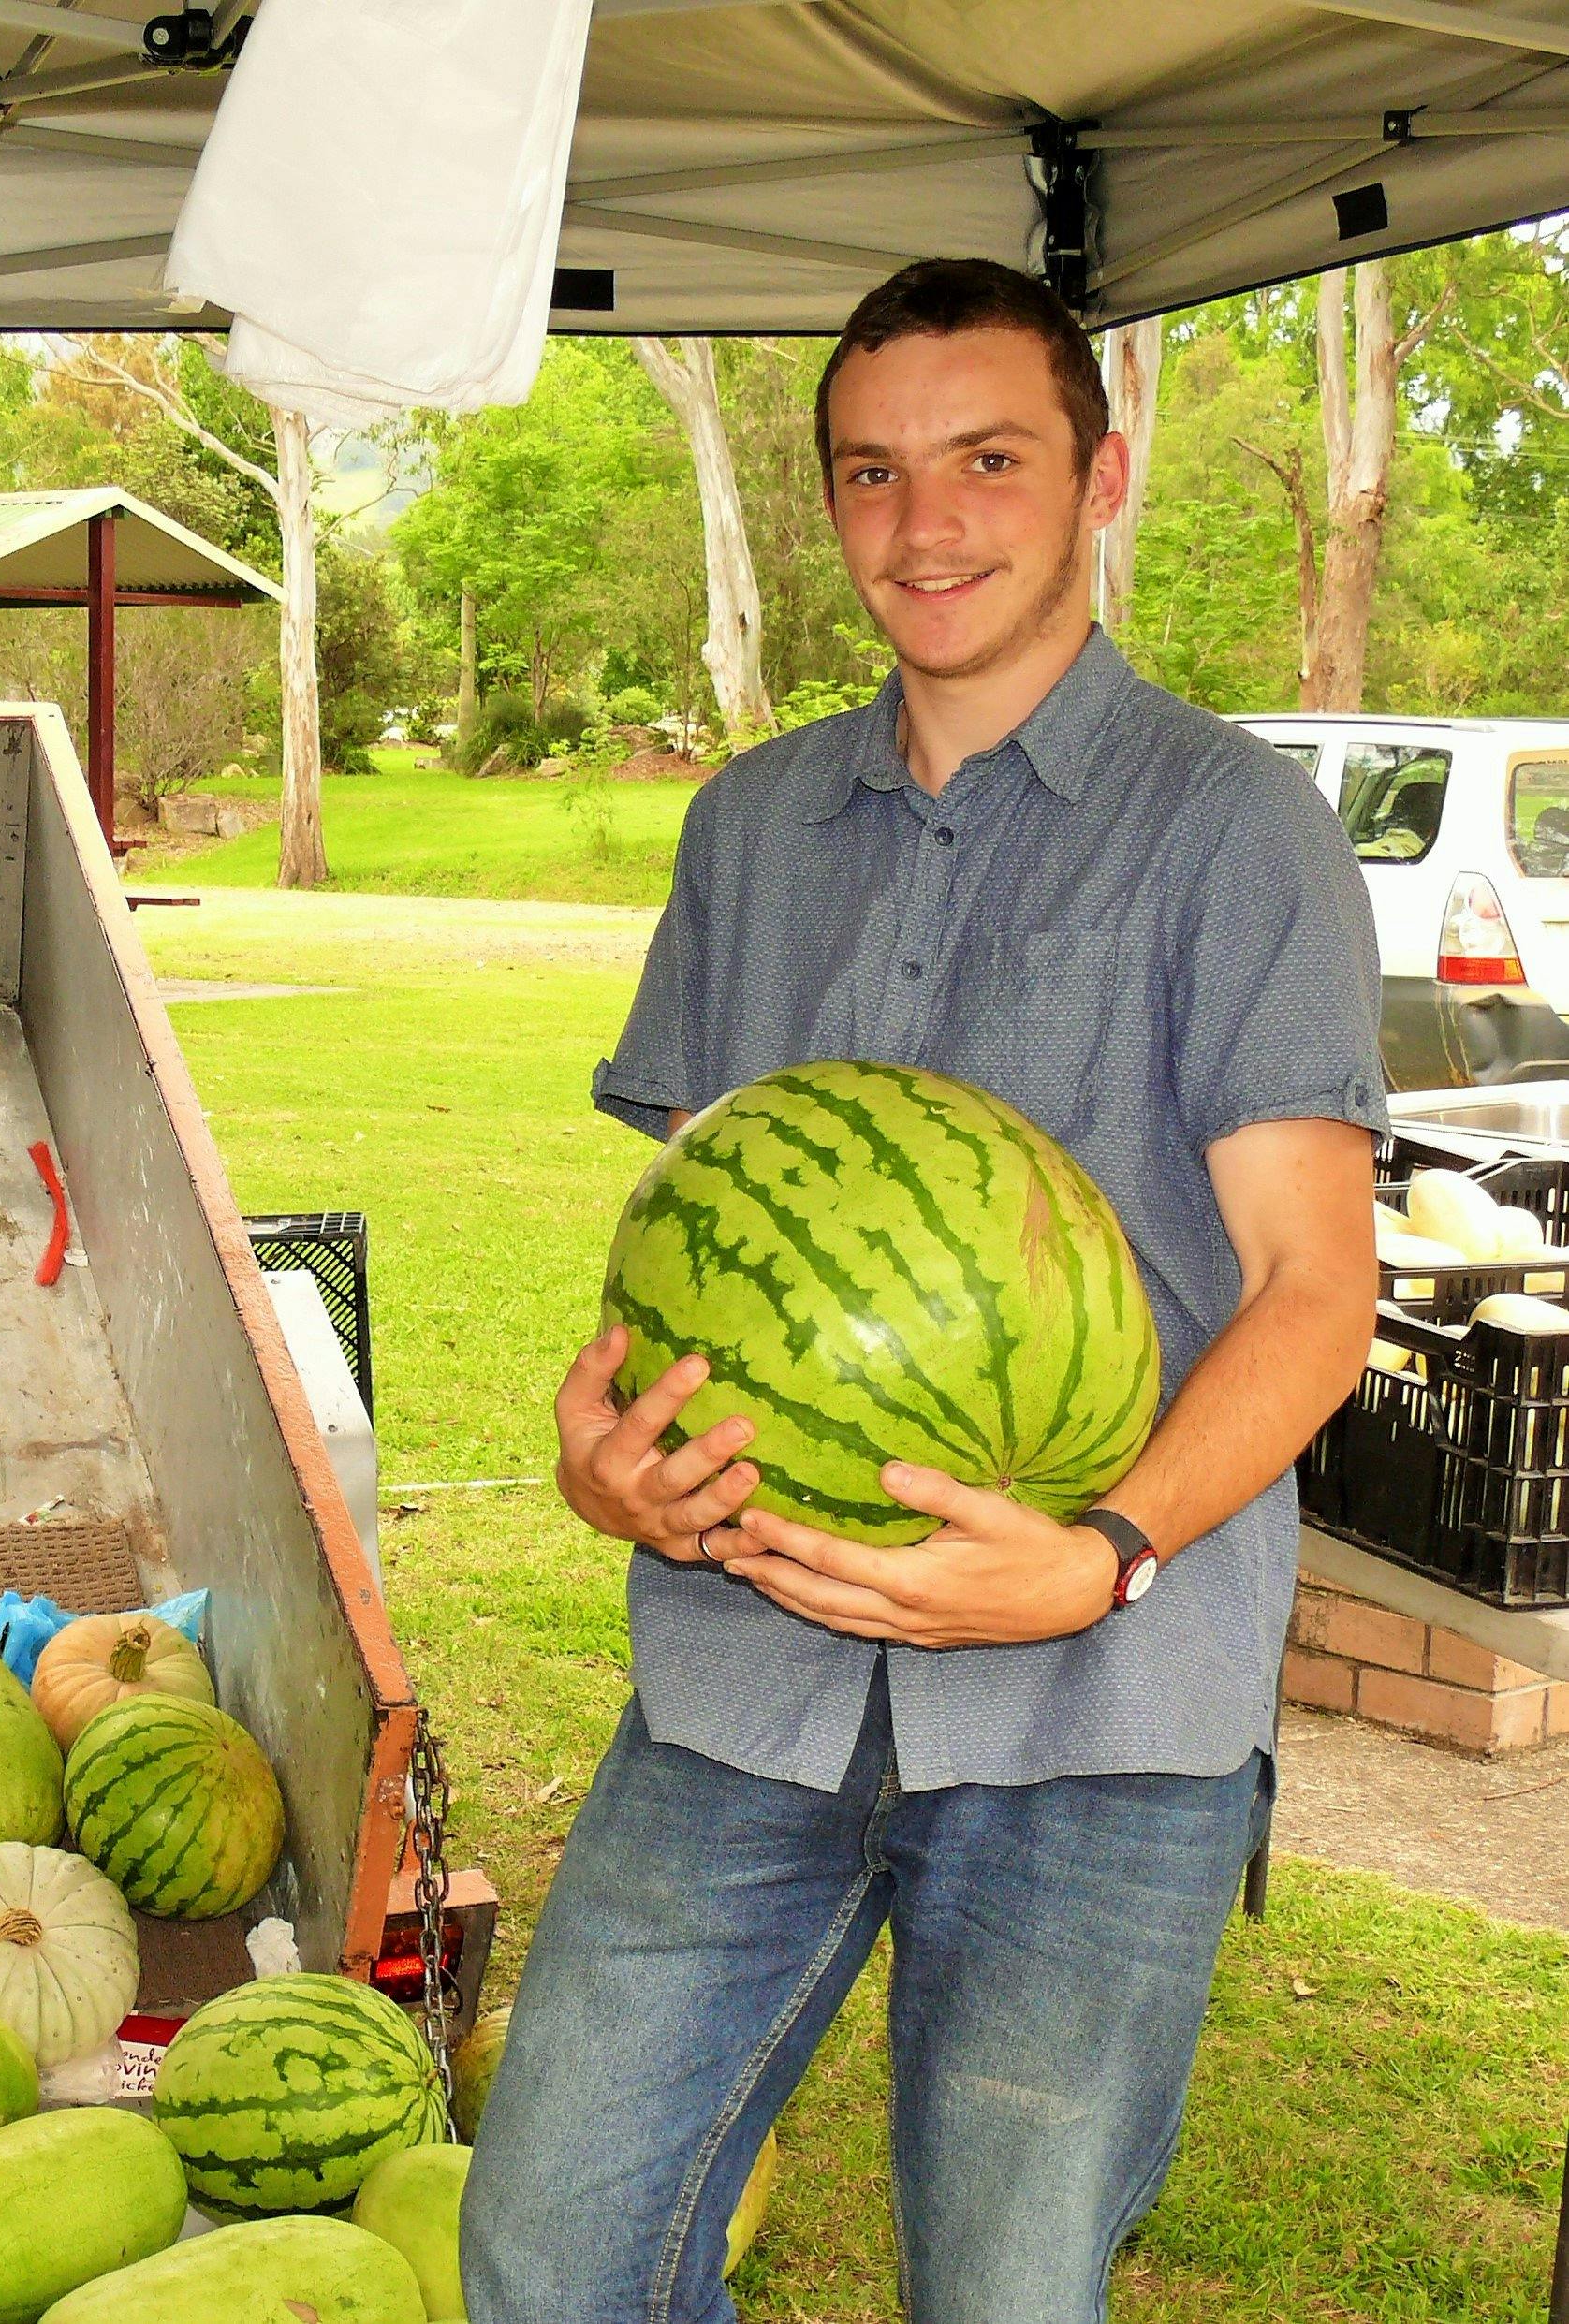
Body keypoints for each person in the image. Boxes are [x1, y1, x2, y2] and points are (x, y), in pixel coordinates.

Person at [460, 257, 1384, 2324]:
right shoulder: (751, 826)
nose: (924, 523)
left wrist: (1102, 1553)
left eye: (984, 460)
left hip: (1093, 1714)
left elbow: (1314, 1289)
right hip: (744, 1677)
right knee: (548, 2248)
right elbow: (691, 1249)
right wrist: (602, 1454)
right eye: (870, 475)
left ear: (1097, 478)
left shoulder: (1235, 835)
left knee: (1002, 2291)